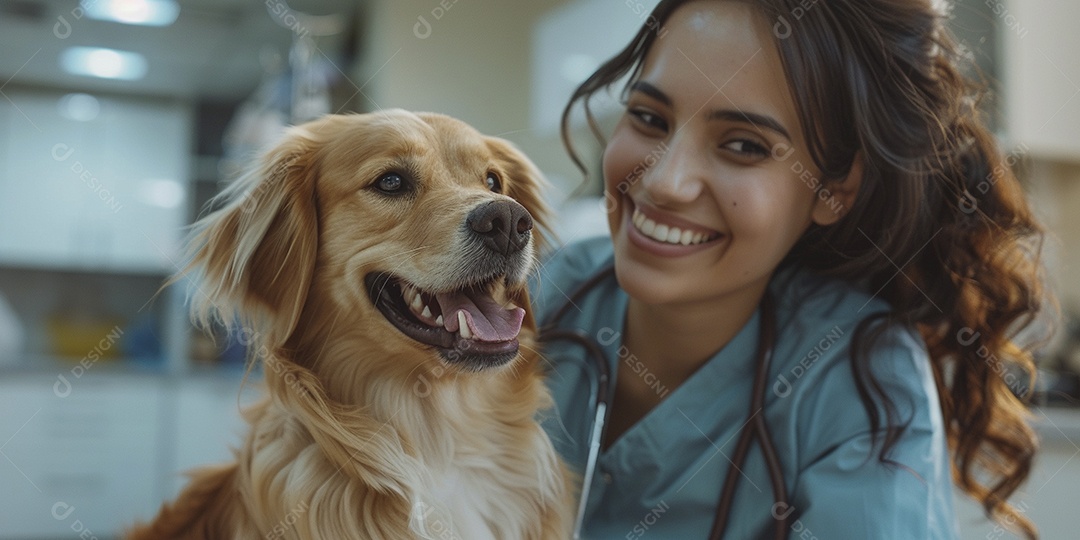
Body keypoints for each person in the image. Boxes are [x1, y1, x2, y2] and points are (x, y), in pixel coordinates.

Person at [530, 0, 1047, 538]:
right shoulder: (542, 293)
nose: (664, 182)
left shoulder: (862, 379)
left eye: (743, 146)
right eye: (649, 118)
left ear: (834, 187)